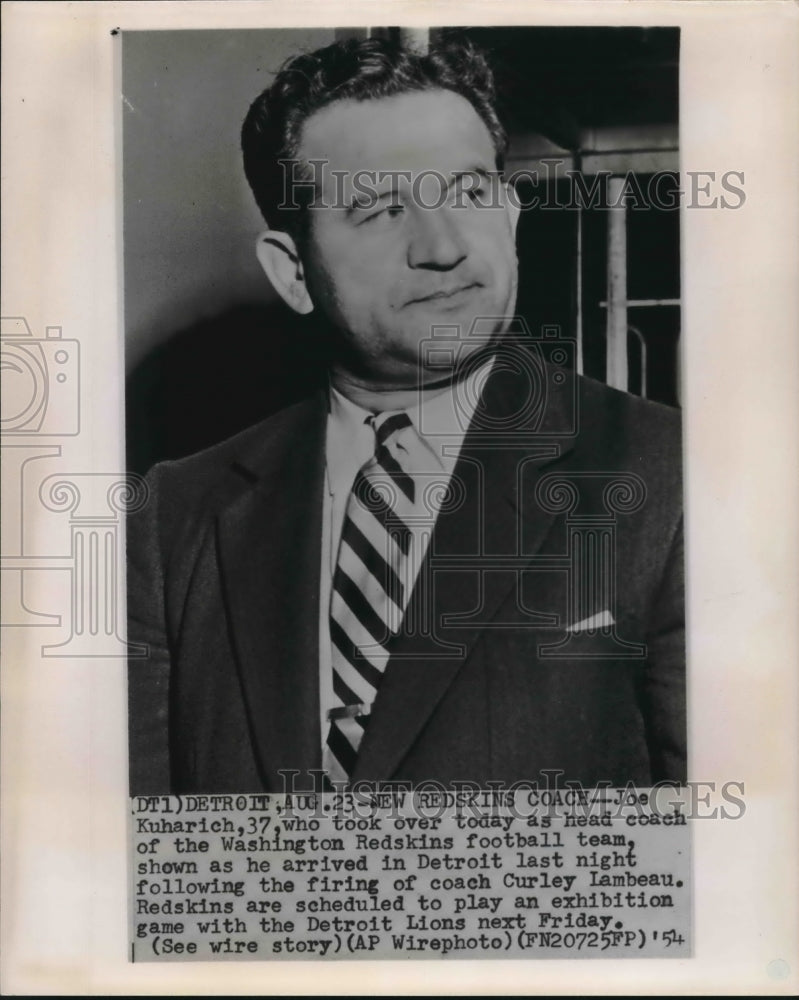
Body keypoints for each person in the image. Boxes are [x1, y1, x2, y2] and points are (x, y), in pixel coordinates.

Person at [127, 37, 685, 794]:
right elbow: (143, 864)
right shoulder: (174, 516)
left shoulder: (673, 475)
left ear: (511, 218)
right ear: (292, 272)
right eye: (381, 209)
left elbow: (730, 867)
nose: (443, 246)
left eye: (467, 193)